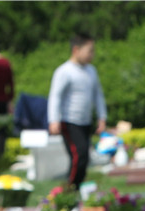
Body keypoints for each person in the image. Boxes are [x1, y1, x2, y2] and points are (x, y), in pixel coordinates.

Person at [47, 33, 107, 191]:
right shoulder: (64, 71)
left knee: (84, 158)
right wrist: (53, 120)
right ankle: (69, 190)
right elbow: (55, 97)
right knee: (79, 155)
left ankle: (75, 189)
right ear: (76, 50)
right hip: (69, 121)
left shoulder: (91, 71)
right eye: (89, 51)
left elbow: (98, 95)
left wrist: (102, 117)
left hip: (85, 121)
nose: (92, 55)